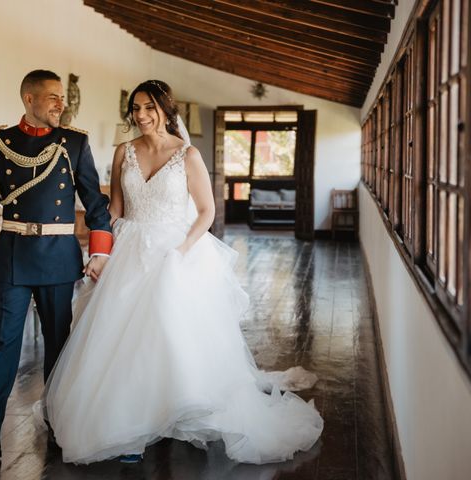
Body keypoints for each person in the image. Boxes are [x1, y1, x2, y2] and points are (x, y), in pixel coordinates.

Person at [42, 80, 323, 465]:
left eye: (148, 108)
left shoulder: (187, 155)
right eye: (136, 108)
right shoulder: (124, 151)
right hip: (130, 250)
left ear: (165, 109)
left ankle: (176, 409)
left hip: (177, 252)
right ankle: (128, 425)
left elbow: (206, 211)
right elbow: (117, 209)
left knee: (169, 335)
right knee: (122, 339)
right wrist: (99, 249)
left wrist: (181, 251)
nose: (140, 115)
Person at [0, 69, 112, 459]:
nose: (61, 104)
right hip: (12, 255)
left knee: (58, 345)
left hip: (59, 256)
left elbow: (95, 202)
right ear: (29, 99)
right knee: (4, 344)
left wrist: (100, 251)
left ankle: (60, 425)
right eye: (52, 97)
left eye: (62, 97)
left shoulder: (75, 143)